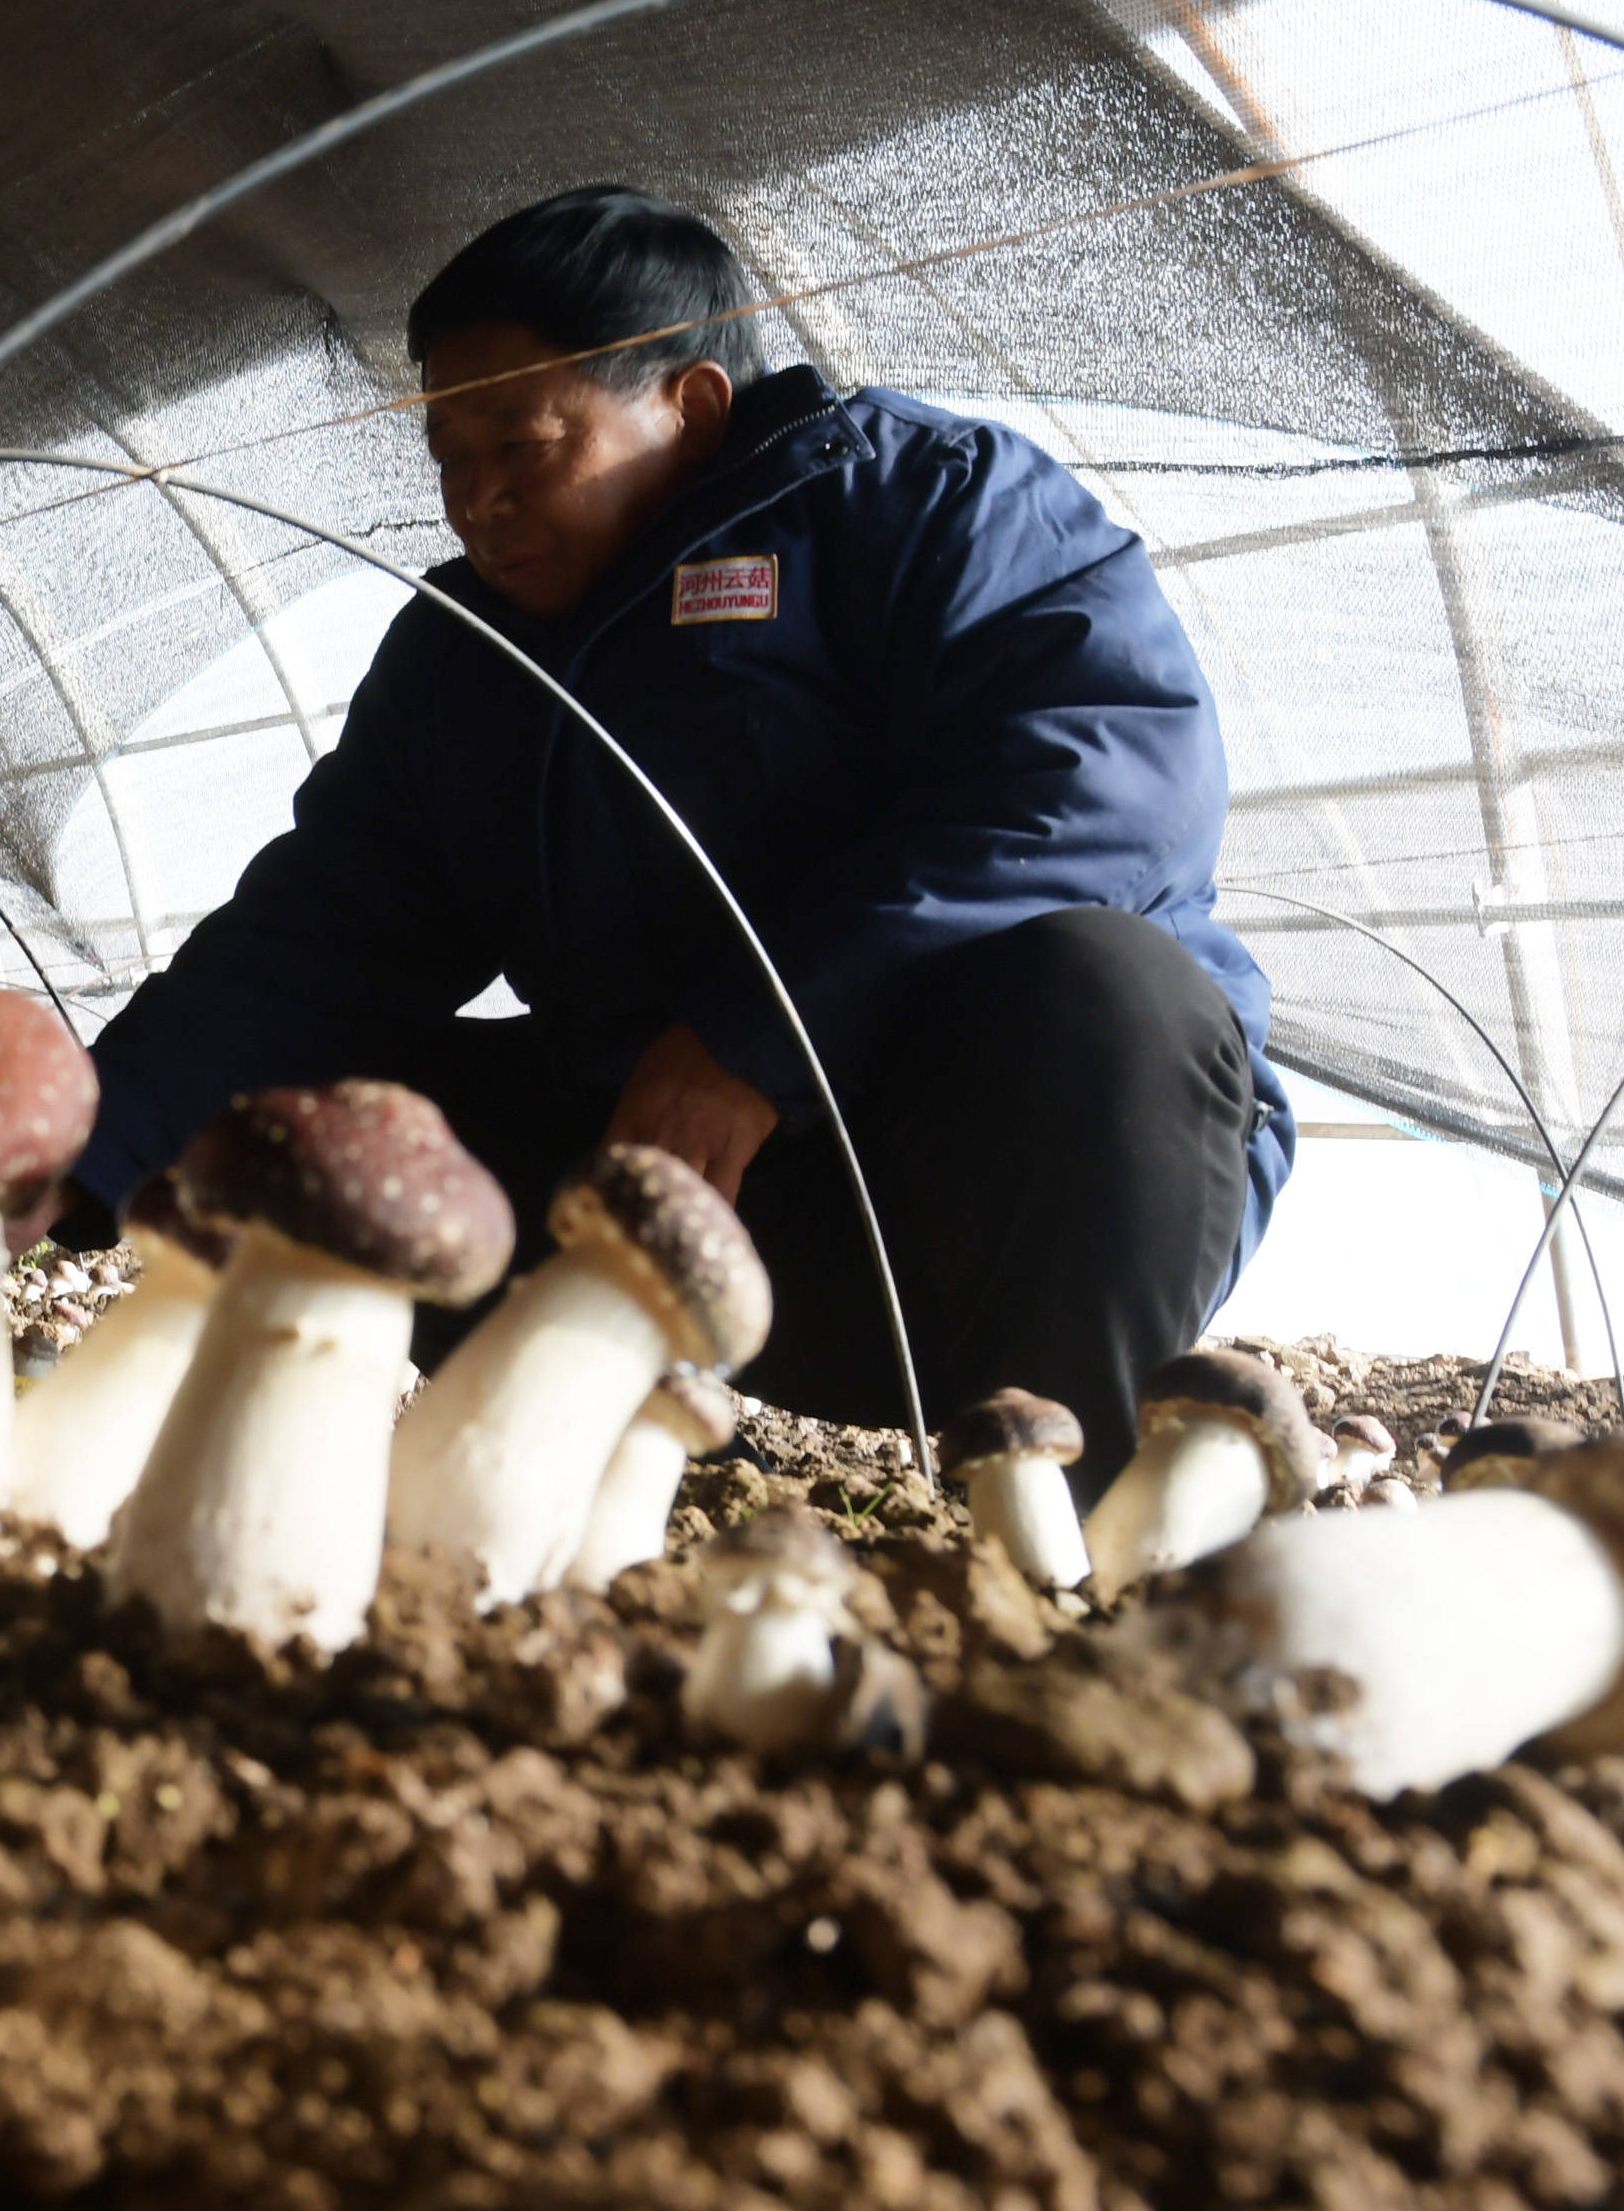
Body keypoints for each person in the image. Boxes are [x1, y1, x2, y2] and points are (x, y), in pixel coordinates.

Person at [69, 187, 1290, 1490]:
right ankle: (528, 1480)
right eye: (447, 455)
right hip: (697, 1215)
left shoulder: (925, 502)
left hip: (1008, 1205)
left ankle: (1074, 1532)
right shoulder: (466, 657)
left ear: (694, 408)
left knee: (1103, 990)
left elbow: (1097, 791)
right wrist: (83, 1162)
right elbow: (317, 940)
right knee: (321, 1122)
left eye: (524, 445)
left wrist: (756, 1036)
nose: (478, 500)